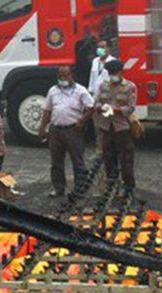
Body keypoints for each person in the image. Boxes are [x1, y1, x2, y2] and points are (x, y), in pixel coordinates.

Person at [39, 65, 94, 198]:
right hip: (55, 130)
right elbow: (47, 110)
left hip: (73, 130)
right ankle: (59, 189)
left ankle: (79, 190)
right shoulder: (53, 90)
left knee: (78, 161)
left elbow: (91, 107)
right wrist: (42, 127)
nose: (62, 78)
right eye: (60, 76)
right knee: (56, 162)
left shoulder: (80, 90)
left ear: (71, 75)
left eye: (65, 75)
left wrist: (82, 121)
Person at [95, 59, 138, 195]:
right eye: (110, 72)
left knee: (126, 160)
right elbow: (95, 104)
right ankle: (112, 187)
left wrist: (115, 109)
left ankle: (129, 187)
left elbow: (130, 108)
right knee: (109, 159)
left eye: (114, 72)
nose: (112, 75)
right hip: (107, 128)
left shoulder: (129, 87)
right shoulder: (103, 86)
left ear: (121, 72)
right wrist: (103, 107)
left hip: (122, 128)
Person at [88, 40, 116, 155]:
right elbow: (92, 77)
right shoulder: (95, 61)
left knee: (108, 122)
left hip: (108, 98)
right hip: (96, 97)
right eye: (98, 47)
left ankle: (110, 149)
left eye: (102, 47)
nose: (100, 49)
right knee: (97, 125)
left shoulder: (113, 61)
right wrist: (90, 92)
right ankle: (99, 150)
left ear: (108, 48)